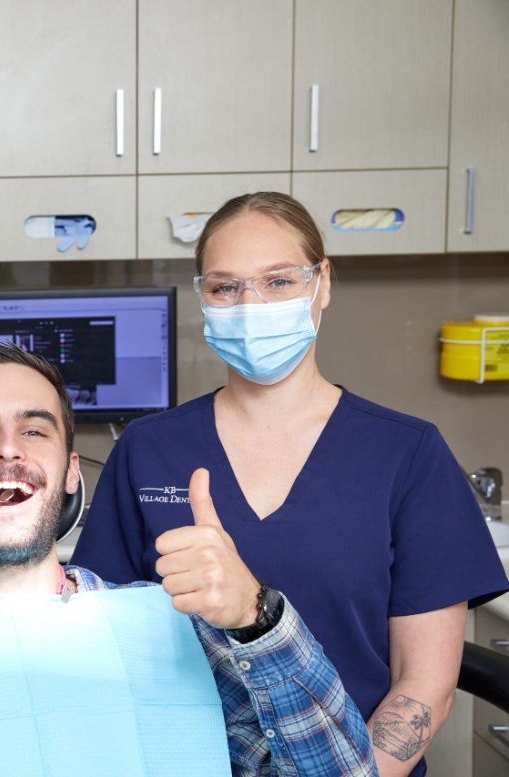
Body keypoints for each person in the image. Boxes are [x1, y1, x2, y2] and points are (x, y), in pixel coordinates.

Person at [72, 191, 509, 777]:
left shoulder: (407, 454)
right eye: (226, 287)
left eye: (279, 282)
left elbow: (424, 684)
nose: (250, 306)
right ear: (203, 297)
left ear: (322, 283)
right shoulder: (148, 450)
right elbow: (110, 649)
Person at [0, 344, 378, 776]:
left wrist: (259, 617)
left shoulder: (174, 634)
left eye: (35, 430)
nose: (8, 448)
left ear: (69, 474)